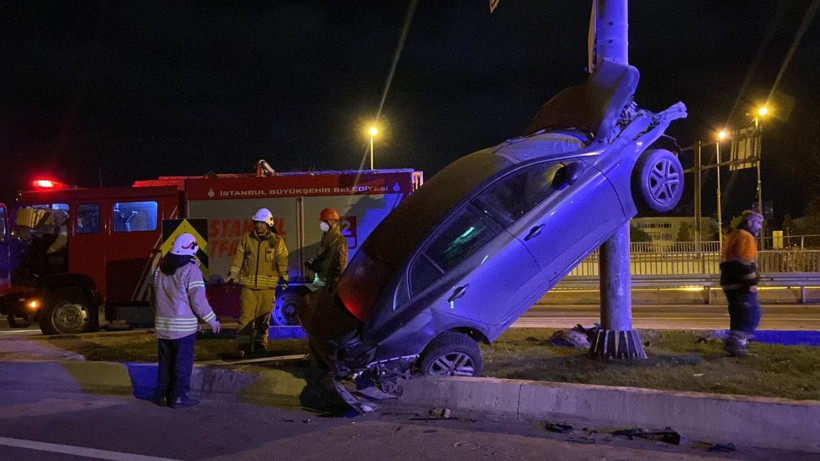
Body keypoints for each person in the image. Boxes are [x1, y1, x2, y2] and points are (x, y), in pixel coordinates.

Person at [152, 233, 220, 408]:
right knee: (182, 364)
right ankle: (180, 396)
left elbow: (155, 298)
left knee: (165, 364)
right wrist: (212, 320)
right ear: (191, 248)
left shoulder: (160, 269)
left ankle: (162, 395)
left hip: (163, 327)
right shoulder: (191, 270)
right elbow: (198, 301)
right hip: (183, 330)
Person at [227, 208, 288, 357]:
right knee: (245, 318)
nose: (258, 226)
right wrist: (232, 276)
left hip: (267, 288)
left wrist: (284, 277)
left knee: (263, 319)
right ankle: (243, 346)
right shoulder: (246, 239)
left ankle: (261, 345)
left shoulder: (276, 241)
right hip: (248, 286)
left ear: (268, 223)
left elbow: (282, 261)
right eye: (257, 222)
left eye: (261, 223)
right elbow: (238, 259)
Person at [719, 210, 764, 357]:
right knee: (751, 314)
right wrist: (751, 282)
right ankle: (737, 344)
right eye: (758, 223)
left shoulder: (733, 235)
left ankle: (736, 345)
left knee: (738, 314)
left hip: (729, 281)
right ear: (750, 222)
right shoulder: (746, 237)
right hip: (740, 282)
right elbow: (745, 263)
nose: (760, 227)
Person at [306, 208, 348, 291]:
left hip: (330, 284)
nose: (321, 224)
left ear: (332, 222)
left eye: (324, 222)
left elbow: (338, 265)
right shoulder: (327, 238)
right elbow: (324, 258)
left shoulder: (338, 240)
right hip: (322, 282)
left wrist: (315, 266)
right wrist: (313, 264)